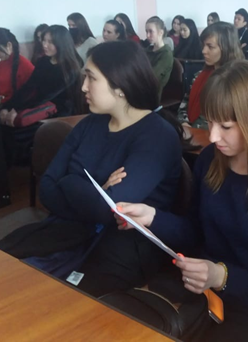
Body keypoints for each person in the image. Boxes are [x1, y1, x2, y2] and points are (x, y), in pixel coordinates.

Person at [115, 60, 248, 341]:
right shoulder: (211, 159)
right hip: (199, 288)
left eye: (226, 126)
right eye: (209, 122)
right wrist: (153, 218)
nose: (212, 136)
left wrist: (222, 276)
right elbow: (195, 230)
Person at [33, 40, 183, 298]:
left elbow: (110, 211)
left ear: (120, 86)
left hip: (122, 247)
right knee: (8, 273)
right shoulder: (89, 124)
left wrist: (68, 181)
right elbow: (45, 189)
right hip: (68, 230)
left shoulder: (157, 136)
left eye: (91, 78)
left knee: (55, 302)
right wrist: (97, 191)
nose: (83, 87)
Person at [0, 25, 83, 124]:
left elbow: (46, 96)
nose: (44, 45)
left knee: (18, 122)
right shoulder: (43, 61)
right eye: (44, 40)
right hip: (39, 105)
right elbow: (28, 87)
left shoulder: (69, 68)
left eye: (50, 42)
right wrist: (8, 107)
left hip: (59, 111)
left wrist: (17, 109)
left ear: (61, 44)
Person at [178, 22, 244, 129]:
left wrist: (193, 130)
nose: (203, 51)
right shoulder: (200, 76)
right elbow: (184, 104)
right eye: (204, 45)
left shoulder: (236, 82)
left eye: (210, 46)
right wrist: (184, 122)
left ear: (226, 48)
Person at [0, 28, 35, 104]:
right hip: (3, 103)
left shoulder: (25, 65)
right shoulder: (1, 65)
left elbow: (28, 95)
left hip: (18, 105)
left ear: (9, 45)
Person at [144, 16, 173, 97]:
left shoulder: (166, 54)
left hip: (151, 93)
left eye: (151, 31)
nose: (147, 35)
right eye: (146, 31)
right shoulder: (147, 50)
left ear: (160, 32)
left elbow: (152, 76)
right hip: (141, 87)